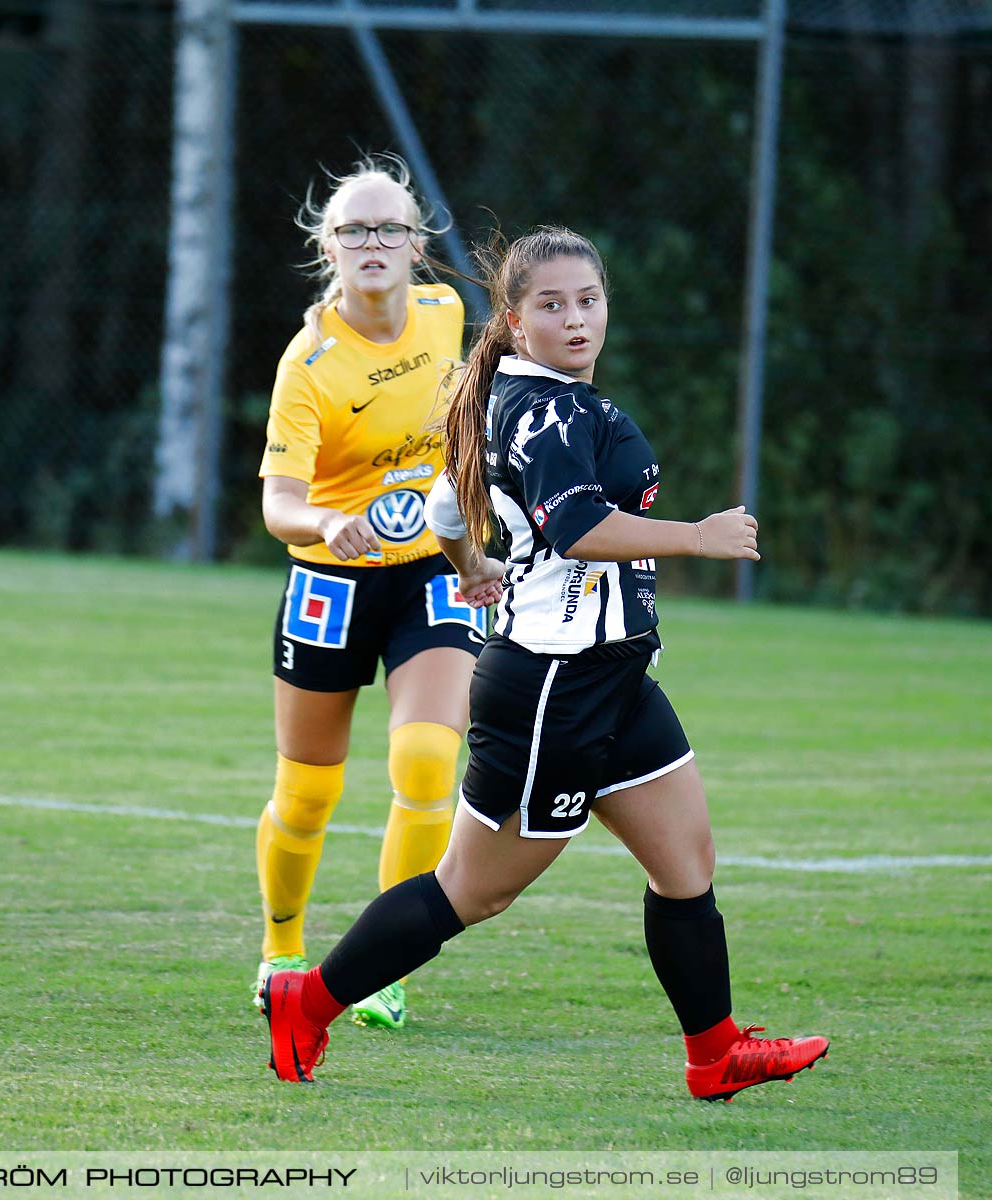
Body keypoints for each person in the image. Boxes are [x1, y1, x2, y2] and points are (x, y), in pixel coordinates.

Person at [261, 226, 829, 1100]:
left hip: (614, 674)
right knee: (469, 894)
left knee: (686, 865)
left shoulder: (510, 394)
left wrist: (472, 567)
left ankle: (715, 1057)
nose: (576, 319)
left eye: (589, 301)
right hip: (551, 689)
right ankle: (311, 1000)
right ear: (517, 323)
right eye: (552, 305)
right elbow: (576, 529)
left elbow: (449, 508)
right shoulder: (551, 410)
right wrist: (699, 539)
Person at [252, 155, 491, 1031]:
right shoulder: (309, 363)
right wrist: (324, 522)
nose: (373, 242)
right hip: (329, 585)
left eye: (390, 227)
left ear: (418, 244)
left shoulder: (445, 313)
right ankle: (282, 952)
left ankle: (379, 966)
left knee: (428, 761)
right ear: (330, 248)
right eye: (355, 230)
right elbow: (277, 504)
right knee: (307, 794)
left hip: (431, 574)